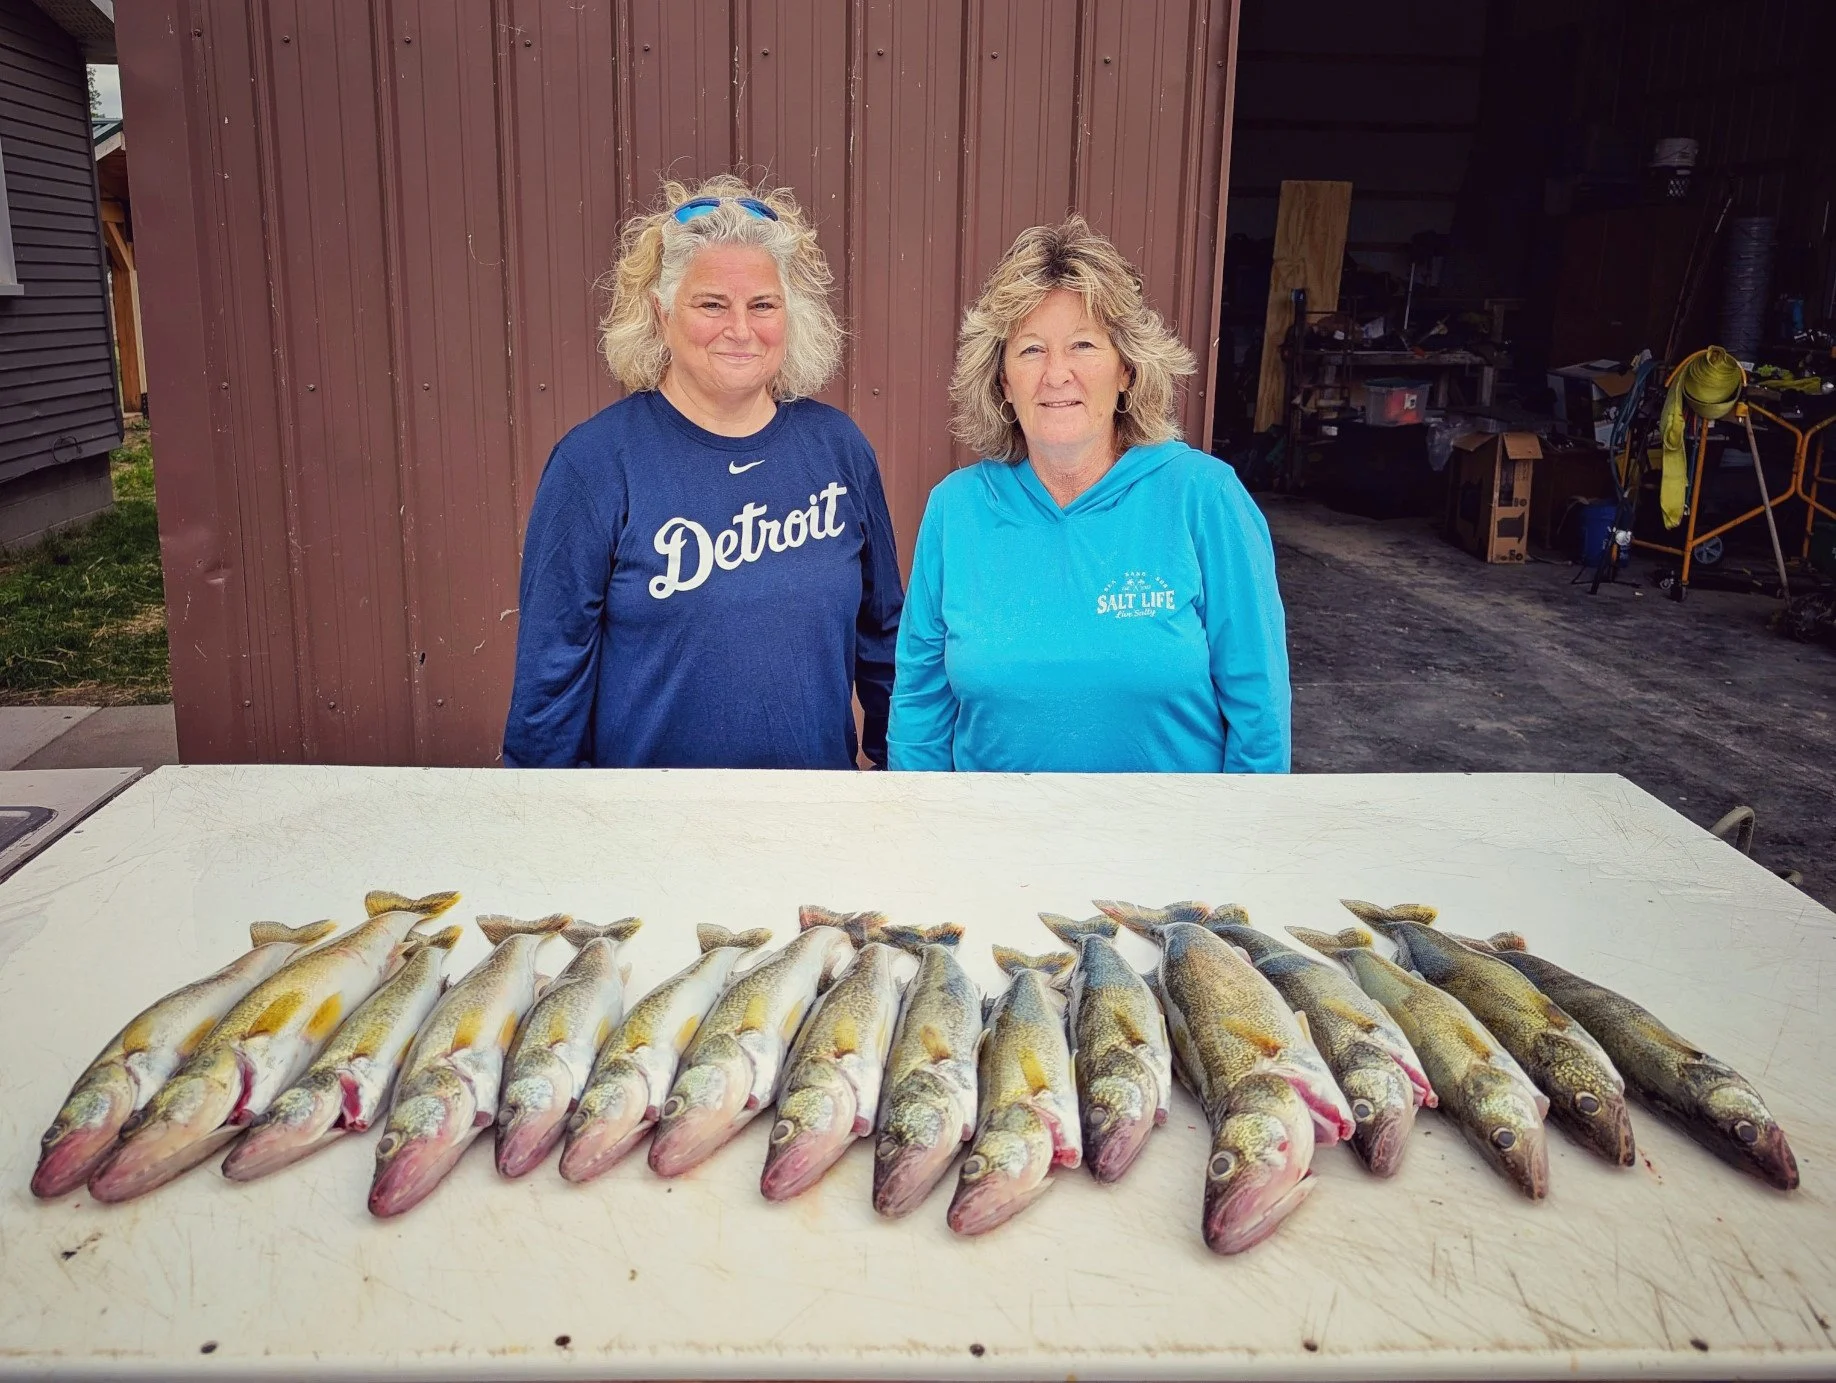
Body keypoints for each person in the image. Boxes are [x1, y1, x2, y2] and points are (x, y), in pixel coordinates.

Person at [503, 177, 902, 769]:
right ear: (663, 314)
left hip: (816, 831)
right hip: (653, 839)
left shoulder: (838, 449)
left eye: (762, 305)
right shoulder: (595, 465)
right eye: (712, 304)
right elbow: (550, 683)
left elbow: (885, 644)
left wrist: (903, 785)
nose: (740, 329)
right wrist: (550, 831)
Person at [888, 216, 1290, 773]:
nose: (1057, 374)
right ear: (1002, 380)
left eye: (1083, 344)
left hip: (1168, 850)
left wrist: (1237, 847)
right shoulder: (956, 510)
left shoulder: (1203, 498)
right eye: (1030, 350)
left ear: (1127, 369)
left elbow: (1260, 716)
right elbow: (919, 711)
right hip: (993, 848)